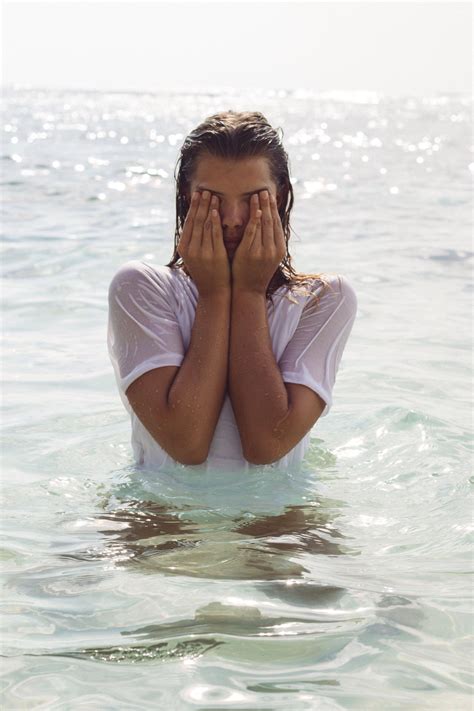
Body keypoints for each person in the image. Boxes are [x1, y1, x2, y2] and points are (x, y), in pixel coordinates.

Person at [107, 110, 357, 472]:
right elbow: (186, 444)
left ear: (281, 195)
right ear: (185, 196)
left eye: (254, 198)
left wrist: (250, 293)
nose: (232, 218)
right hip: (162, 519)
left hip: (276, 524)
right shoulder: (140, 288)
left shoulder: (323, 300)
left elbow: (266, 444)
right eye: (212, 198)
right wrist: (214, 295)